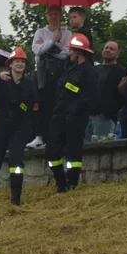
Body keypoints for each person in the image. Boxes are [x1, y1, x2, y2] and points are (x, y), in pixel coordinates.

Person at [0, 47, 37, 209]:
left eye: (22, 61)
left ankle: (16, 201)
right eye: (17, 61)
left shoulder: (29, 84)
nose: (20, 64)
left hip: (19, 128)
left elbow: (32, 105)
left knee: (17, 162)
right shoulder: (1, 79)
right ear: (10, 64)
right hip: (0, 127)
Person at [45, 34, 97, 192]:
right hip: (59, 116)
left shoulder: (89, 72)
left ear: (79, 52)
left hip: (76, 119)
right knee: (51, 153)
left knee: (73, 154)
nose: (69, 53)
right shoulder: (68, 68)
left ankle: (71, 184)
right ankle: (61, 182)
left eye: (71, 50)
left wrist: (73, 108)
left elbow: (87, 97)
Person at [28, 5, 72, 149]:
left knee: (56, 105)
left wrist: (47, 49)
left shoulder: (67, 33)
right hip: (42, 74)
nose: (54, 17)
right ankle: (39, 136)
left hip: (58, 74)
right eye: (51, 14)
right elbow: (36, 50)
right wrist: (53, 41)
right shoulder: (40, 32)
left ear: (60, 16)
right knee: (41, 104)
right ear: (47, 16)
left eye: (56, 14)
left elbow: (65, 53)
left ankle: (54, 137)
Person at [88, 40, 126, 142]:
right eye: (106, 47)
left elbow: (123, 95)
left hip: (105, 119)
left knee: (100, 150)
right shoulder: (95, 69)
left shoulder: (120, 71)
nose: (108, 50)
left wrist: (107, 113)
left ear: (118, 54)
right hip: (88, 116)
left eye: (112, 49)